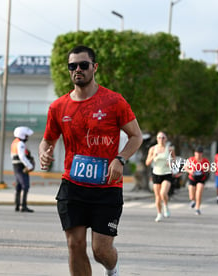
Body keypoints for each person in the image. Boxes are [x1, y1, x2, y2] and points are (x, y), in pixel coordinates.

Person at [38, 45, 142, 276]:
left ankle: (112, 269)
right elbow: (47, 140)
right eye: (72, 66)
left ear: (94, 67)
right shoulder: (58, 107)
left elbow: (136, 136)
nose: (78, 70)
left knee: (100, 250)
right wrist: (44, 152)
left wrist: (120, 159)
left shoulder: (114, 101)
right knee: (74, 245)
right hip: (73, 186)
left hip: (107, 187)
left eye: (83, 65)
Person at [145, 131, 173, 222]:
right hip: (156, 173)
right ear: (157, 139)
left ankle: (165, 205)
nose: (161, 139)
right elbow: (147, 163)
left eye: (163, 137)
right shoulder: (153, 149)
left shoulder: (169, 149)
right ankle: (159, 214)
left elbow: (174, 159)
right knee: (157, 196)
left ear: (166, 139)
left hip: (167, 173)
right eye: (159, 137)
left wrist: (171, 163)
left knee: (163, 193)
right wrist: (153, 156)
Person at [11, 126, 36, 213]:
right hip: (21, 167)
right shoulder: (20, 144)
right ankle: (23, 206)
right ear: (22, 135)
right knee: (25, 186)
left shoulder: (14, 142)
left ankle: (17, 205)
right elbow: (22, 156)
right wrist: (29, 166)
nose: (27, 137)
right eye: (26, 136)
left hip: (16, 166)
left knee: (19, 185)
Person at [185, 146, 210, 215]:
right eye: (197, 153)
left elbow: (208, 169)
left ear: (202, 154)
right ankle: (193, 200)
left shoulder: (205, 161)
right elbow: (186, 167)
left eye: (200, 153)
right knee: (192, 195)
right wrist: (190, 171)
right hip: (192, 178)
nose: (198, 155)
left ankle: (197, 208)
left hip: (201, 178)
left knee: (199, 191)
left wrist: (205, 172)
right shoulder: (191, 160)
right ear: (194, 153)